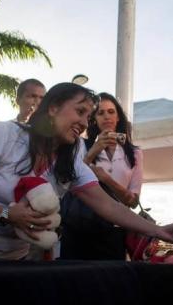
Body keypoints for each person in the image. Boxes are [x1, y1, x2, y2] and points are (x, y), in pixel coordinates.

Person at [0, 83, 173, 260]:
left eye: (88, 116)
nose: (83, 122)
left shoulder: (74, 151)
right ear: (53, 108)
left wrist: (159, 231)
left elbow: (108, 206)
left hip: (12, 261)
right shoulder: (4, 134)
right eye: (80, 112)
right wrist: (6, 213)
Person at [60, 92, 143, 260]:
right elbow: (67, 179)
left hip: (114, 230)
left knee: (110, 281)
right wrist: (95, 149)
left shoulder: (134, 153)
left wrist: (106, 179)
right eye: (100, 113)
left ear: (118, 116)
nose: (106, 117)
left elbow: (133, 201)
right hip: (80, 226)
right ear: (93, 119)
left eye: (111, 112)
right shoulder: (80, 145)